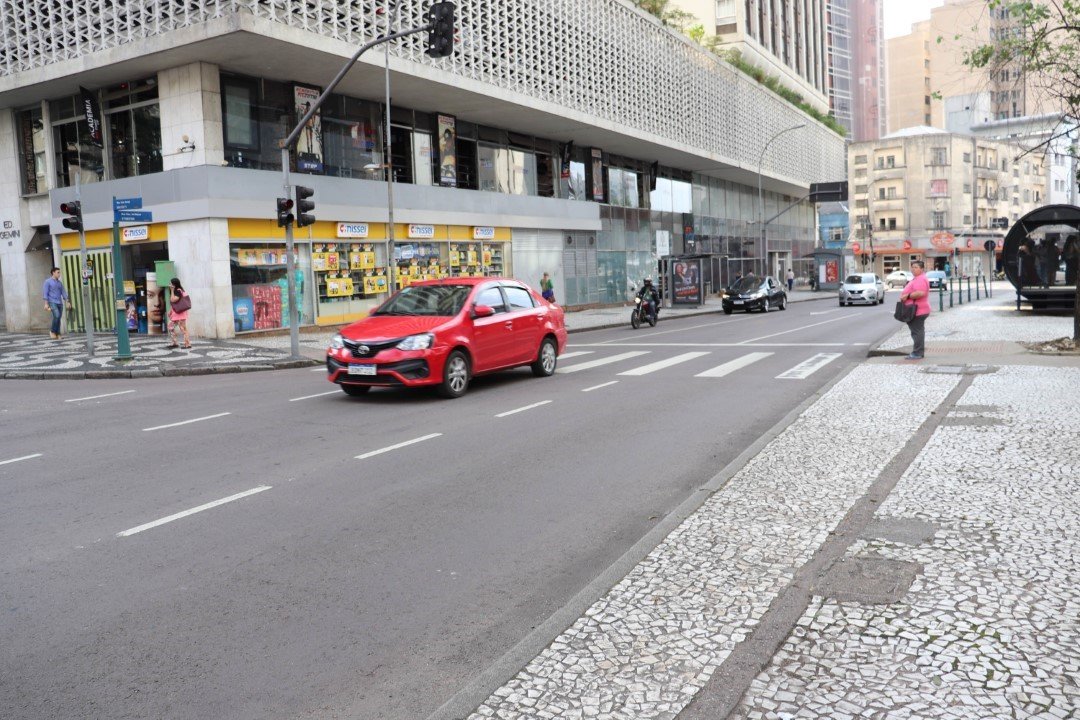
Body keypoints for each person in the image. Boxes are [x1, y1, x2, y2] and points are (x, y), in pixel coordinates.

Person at [899, 260, 931, 360]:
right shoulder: (918, 278)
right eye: (912, 267)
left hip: (917, 310)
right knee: (917, 331)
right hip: (916, 309)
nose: (913, 269)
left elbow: (921, 293)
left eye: (916, 267)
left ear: (922, 269)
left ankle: (917, 353)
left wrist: (907, 296)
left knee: (917, 332)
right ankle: (918, 352)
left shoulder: (920, 279)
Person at [42, 266, 71, 339]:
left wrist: (67, 301)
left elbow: (63, 292)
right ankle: (52, 331)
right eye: (58, 273)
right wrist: (46, 304)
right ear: (53, 273)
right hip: (52, 302)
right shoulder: (47, 282)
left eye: (59, 273)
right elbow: (45, 293)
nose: (59, 274)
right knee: (57, 316)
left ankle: (57, 333)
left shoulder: (59, 283)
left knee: (58, 318)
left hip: (60, 303)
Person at [167, 277, 191, 349]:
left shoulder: (178, 291)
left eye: (170, 283)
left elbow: (173, 300)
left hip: (180, 314)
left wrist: (172, 290)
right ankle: (175, 342)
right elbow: (174, 304)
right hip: (176, 314)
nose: (169, 285)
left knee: (183, 329)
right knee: (170, 327)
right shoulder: (176, 291)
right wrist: (170, 311)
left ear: (174, 284)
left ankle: (187, 344)